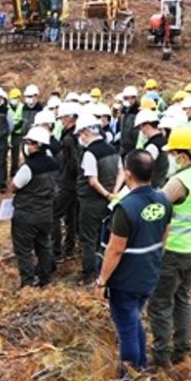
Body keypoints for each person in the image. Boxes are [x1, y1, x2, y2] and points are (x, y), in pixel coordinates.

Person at [94, 151, 171, 375]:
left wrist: (102, 281)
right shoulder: (163, 200)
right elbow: (164, 235)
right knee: (134, 319)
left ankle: (130, 374)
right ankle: (142, 365)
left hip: (126, 278)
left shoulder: (125, 208)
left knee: (126, 327)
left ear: (128, 174)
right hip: (149, 273)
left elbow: (115, 249)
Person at [149, 127, 191, 368]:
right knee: (182, 298)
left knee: (160, 304)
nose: (169, 157)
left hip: (173, 251)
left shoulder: (180, 180)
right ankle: (181, 348)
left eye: (172, 153)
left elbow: (157, 208)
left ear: (183, 155)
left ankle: (161, 356)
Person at [76, 112, 123, 285]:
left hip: (91, 202)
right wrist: (114, 192)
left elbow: (92, 180)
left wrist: (106, 193)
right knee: (105, 238)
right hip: (110, 201)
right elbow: (121, 172)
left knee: (89, 239)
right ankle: (104, 270)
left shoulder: (89, 153)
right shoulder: (112, 149)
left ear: (85, 133)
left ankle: (89, 275)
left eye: (80, 133)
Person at [10, 126, 59, 288]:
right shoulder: (53, 163)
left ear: (37, 144)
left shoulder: (28, 167)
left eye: (29, 142)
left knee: (23, 250)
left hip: (27, 214)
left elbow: (13, 187)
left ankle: (28, 283)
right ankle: (46, 279)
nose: (26, 146)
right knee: (44, 246)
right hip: (46, 212)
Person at [52, 102, 80, 264]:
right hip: (73, 183)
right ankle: (69, 248)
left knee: (55, 214)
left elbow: (73, 162)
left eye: (63, 118)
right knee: (71, 216)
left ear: (70, 118)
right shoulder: (75, 134)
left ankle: (57, 250)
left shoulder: (69, 138)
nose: (61, 121)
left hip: (67, 183)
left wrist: (72, 179)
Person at [134, 109, 169, 187]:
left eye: (140, 127)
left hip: (156, 186)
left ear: (146, 126)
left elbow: (144, 168)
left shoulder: (152, 146)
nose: (141, 131)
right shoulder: (164, 140)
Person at [8, 88, 26, 177]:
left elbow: (23, 120)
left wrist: (18, 126)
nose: (14, 100)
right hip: (8, 133)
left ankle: (14, 170)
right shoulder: (7, 107)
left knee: (15, 153)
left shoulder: (22, 107)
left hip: (17, 133)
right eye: (13, 98)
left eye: (16, 98)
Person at [118, 86, 141, 155]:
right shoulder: (123, 114)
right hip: (123, 149)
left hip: (134, 149)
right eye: (126, 98)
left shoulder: (139, 113)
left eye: (132, 97)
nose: (129, 100)